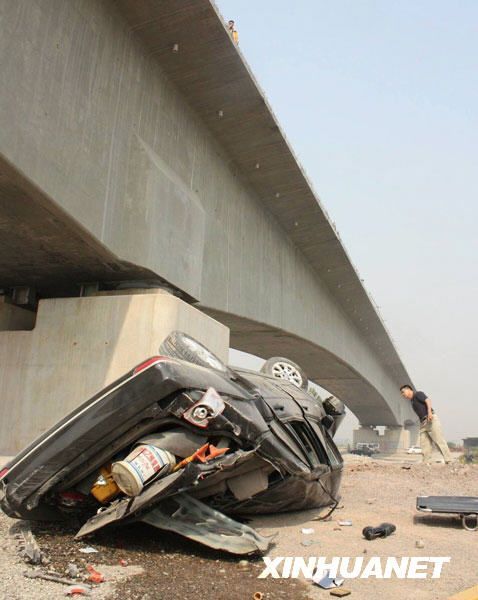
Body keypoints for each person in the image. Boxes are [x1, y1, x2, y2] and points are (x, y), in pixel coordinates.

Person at [400, 385, 452, 464]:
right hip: (423, 423)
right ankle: (426, 462)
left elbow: (428, 400)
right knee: (424, 443)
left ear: (408, 389)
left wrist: (429, 412)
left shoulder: (418, 394)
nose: (403, 395)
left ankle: (448, 460)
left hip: (430, 419)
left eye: (403, 392)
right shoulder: (412, 401)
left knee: (438, 440)